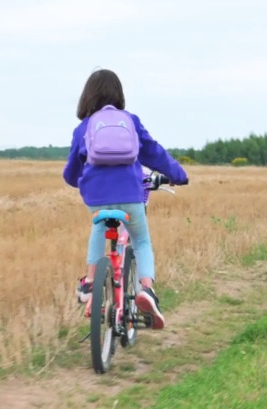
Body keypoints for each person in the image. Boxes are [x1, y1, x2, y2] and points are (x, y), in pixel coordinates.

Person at [62, 68, 189, 330]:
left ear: (88, 96)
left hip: (96, 198)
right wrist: (179, 174)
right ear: (119, 95)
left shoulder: (84, 128)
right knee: (141, 240)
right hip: (131, 195)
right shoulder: (131, 121)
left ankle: (89, 281)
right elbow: (155, 153)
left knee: (98, 227)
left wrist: (78, 181)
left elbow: (71, 172)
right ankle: (147, 290)